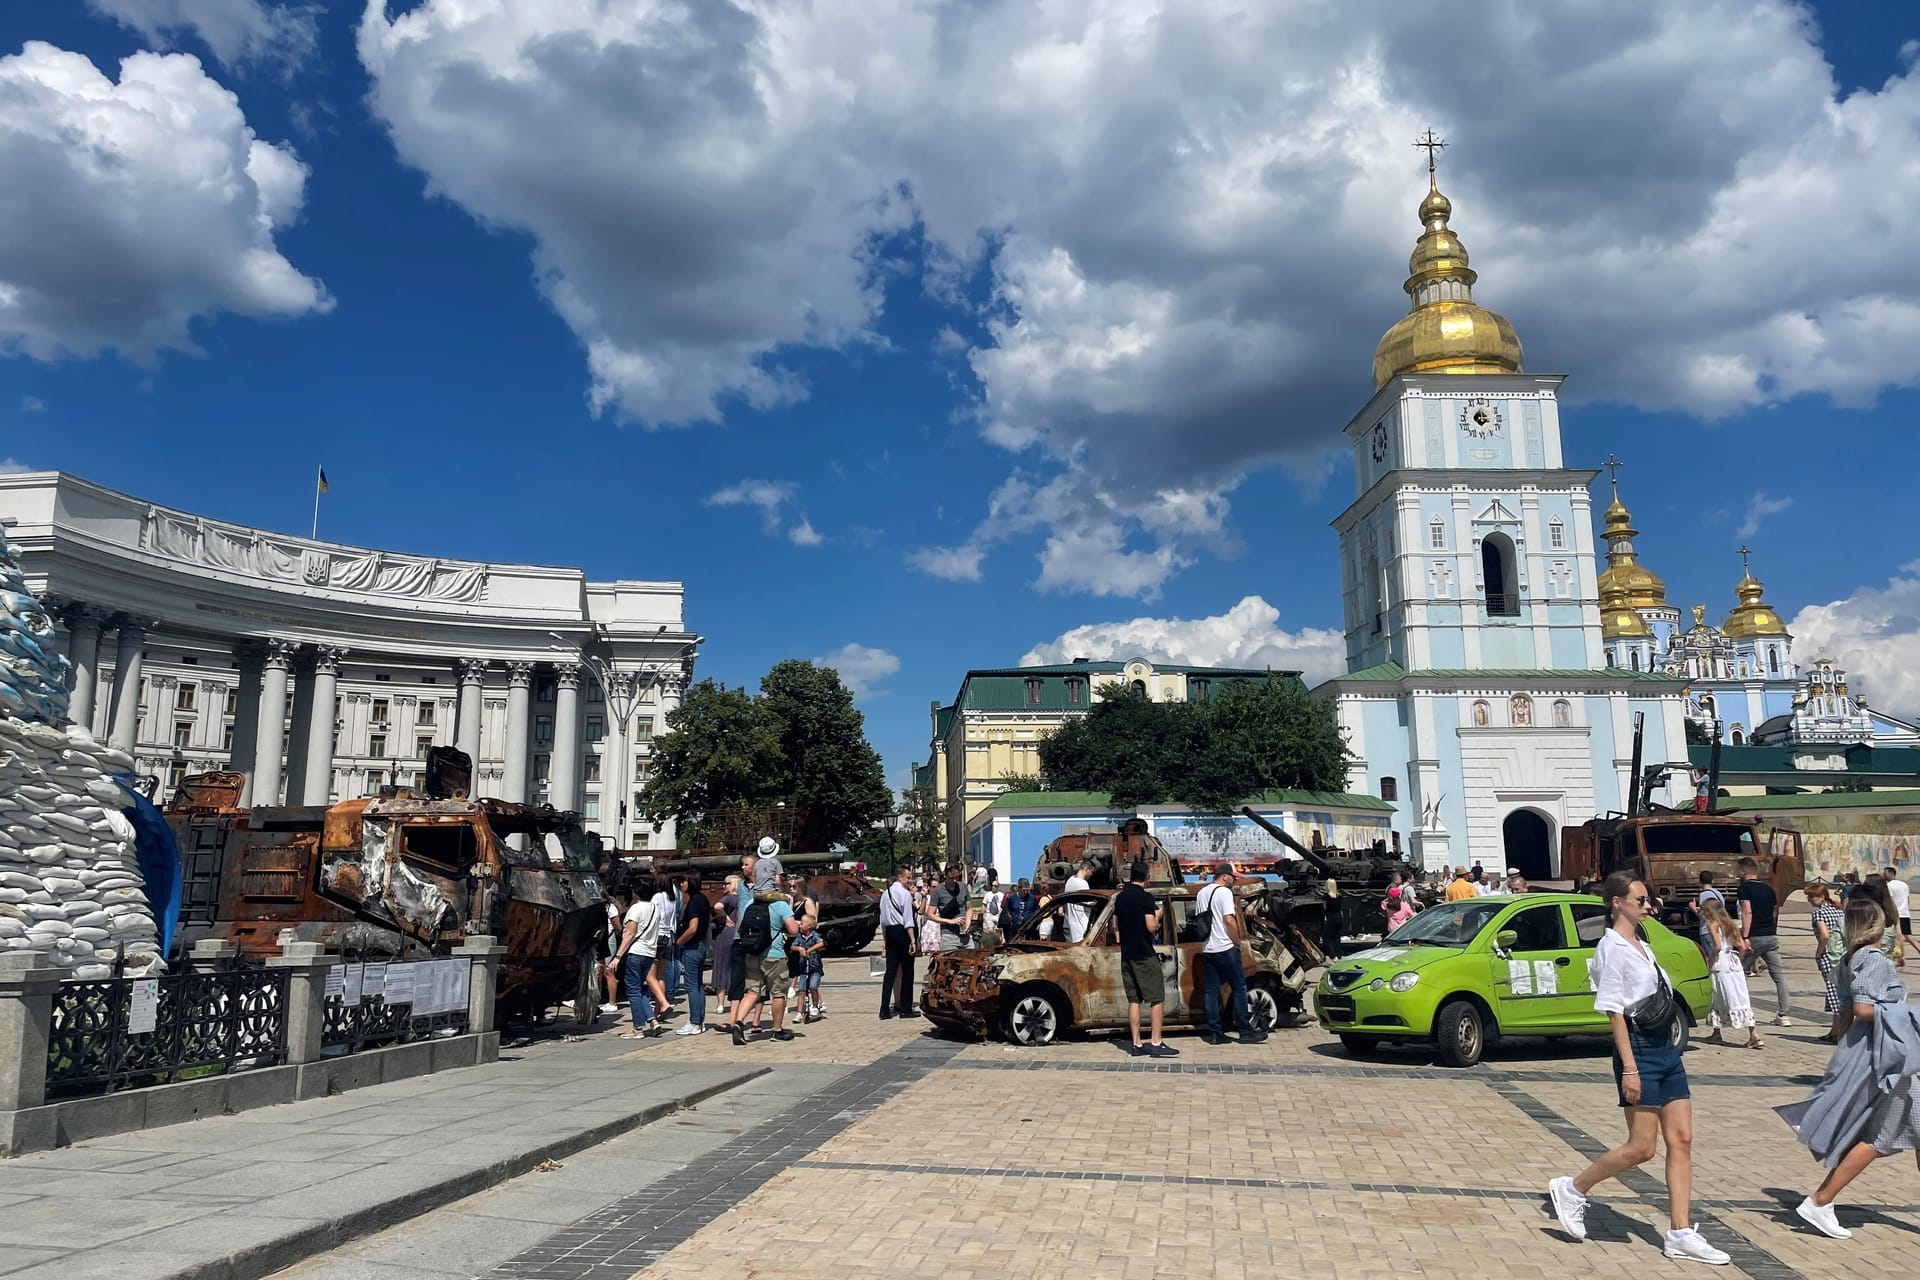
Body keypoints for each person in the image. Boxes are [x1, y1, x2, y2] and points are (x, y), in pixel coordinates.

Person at [1547, 871, 1729, 1265]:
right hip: (1640, 1050)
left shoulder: (1641, 942)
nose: (1648, 906)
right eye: (1641, 900)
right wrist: (1629, 1068)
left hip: (1665, 1048)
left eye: (1648, 901)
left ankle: (1680, 1232)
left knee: (1681, 1141)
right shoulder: (1611, 948)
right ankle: (1574, 1188)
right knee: (1642, 1148)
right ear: (1617, 903)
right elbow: (1614, 1011)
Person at [1779, 897, 1920, 1240]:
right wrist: (1911, 1013)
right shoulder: (1873, 960)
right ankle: (1820, 1201)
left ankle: (1820, 1201)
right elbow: (1862, 1007)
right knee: (1881, 1138)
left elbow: (1844, 1015)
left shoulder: (1848, 959)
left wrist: (1847, 1054)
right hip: (1889, 1058)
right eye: (1883, 922)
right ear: (1873, 926)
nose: (1888, 928)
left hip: (1880, 1054)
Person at [1197, 864, 1264, 1046]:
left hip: (1208, 949)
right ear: (1224, 877)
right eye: (1233, 877)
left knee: (1211, 991)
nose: (1235, 880)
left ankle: (1215, 1033)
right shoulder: (1224, 893)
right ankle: (1244, 1030)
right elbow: (1228, 919)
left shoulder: (1201, 893)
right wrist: (1237, 941)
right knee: (1239, 988)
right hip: (1225, 947)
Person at [1115, 860, 1176, 1057]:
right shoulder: (1146, 899)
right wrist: (1158, 915)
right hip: (1144, 954)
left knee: (1134, 999)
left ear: (1131, 876)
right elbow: (1151, 927)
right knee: (1157, 998)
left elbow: (1116, 927)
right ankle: (1156, 1042)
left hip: (1127, 955)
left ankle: (1137, 1044)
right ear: (1147, 877)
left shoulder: (1120, 898)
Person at [729, 880, 797, 1044]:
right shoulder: (780, 905)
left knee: (752, 992)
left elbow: (740, 927)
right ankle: (777, 1031)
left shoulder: (751, 903)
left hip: (753, 953)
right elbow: (794, 930)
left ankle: (738, 1023)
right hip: (774, 954)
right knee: (778, 993)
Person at [1698, 896, 1760, 1050]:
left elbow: (1717, 946)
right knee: (1739, 997)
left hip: (1721, 963)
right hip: (1734, 963)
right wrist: (1738, 960)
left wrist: (1709, 961)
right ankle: (1750, 1032)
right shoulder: (1731, 924)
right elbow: (1743, 947)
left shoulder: (1713, 925)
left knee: (1719, 996)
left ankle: (1719, 1032)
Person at [1735, 858, 1791, 1026]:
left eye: (1738, 870)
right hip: (1771, 936)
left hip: (1754, 936)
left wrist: (1745, 936)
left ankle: (1742, 1011)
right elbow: (1774, 912)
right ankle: (1784, 1014)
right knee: (1779, 976)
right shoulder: (1769, 889)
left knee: (1739, 972)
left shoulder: (1744, 888)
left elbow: (1747, 911)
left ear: (1743, 871)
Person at [612, 879, 667, 1039]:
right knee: (640, 989)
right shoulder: (654, 908)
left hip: (635, 951)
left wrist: (617, 956)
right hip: (650, 952)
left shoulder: (636, 908)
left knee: (633, 990)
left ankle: (638, 1028)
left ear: (636, 892)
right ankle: (652, 1020)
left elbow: (630, 933)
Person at [1808, 882, 1847, 1044]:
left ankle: (1840, 1033)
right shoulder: (1838, 911)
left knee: (1835, 994)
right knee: (1838, 992)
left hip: (1828, 955)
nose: (1809, 900)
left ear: (1822, 896)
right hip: (1842, 954)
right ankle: (1834, 1031)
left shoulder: (1819, 914)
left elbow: (1824, 935)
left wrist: (1818, 953)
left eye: (1812, 896)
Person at [673, 873, 711, 1036]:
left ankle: (695, 1021)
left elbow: (693, 927)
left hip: (692, 947)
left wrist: (680, 941)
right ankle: (699, 1020)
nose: (679, 886)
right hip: (700, 946)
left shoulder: (694, 901)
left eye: (681, 883)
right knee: (697, 985)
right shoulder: (702, 898)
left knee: (691, 986)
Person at [878, 865, 917, 1019]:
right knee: (908, 971)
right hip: (902, 932)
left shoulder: (885, 894)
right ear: (900, 877)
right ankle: (905, 1008)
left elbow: (883, 920)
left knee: (890, 972)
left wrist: (885, 940)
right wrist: (913, 940)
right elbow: (908, 919)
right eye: (908, 878)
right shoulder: (905, 894)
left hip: (890, 933)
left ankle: (884, 1008)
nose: (910, 881)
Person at [711, 871, 741, 1020]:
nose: (724, 886)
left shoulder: (729, 898)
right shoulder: (744, 898)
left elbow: (717, 906)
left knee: (721, 967)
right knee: (735, 968)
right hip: (739, 934)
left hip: (726, 933)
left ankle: (720, 1003)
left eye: (727, 883)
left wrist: (725, 916)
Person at [791, 913, 825, 1024]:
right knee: (801, 990)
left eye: (802, 924)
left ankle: (815, 1006)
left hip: (814, 968)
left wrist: (809, 950)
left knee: (813, 987)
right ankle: (799, 1012)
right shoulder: (799, 937)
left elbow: (821, 944)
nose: (799, 925)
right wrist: (799, 948)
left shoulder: (815, 936)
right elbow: (792, 946)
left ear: (809, 926)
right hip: (803, 969)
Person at [933, 864, 972, 951]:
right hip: (948, 936)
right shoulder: (938, 891)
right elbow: (930, 914)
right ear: (946, 875)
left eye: (956, 877)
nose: (954, 880)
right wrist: (950, 921)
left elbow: (969, 908)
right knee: (950, 963)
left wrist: (968, 921)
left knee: (972, 961)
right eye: (951, 878)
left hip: (965, 935)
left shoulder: (963, 887)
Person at [1689, 871, 1725, 959]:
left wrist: (1693, 908)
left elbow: (1704, 917)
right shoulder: (1718, 894)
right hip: (1720, 928)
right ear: (1712, 881)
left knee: (1712, 957)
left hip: (1707, 930)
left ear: (1700, 882)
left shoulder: (1704, 895)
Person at [1063, 860, 1093, 942]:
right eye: (1091, 871)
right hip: (1081, 923)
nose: (1091, 874)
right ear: (1086, 869)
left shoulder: (1070, 881)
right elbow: (1089, 903)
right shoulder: (1083, 883)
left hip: (1070, 921)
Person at [1887, 866, 1912, 940]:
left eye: (1885, 873)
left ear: (1891, 873)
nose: (1883, 875)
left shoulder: (1889, 885)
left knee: (1897, 936)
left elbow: (1890, 901)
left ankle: (1900, 951)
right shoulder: (1904, 884)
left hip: (1895, 915)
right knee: (1908, 936)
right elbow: (1907, 900)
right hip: (1905, 913)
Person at [1320, 878, 1342, 960]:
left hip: (1330, 917)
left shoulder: (1326, 896)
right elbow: (1340, 908)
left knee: (1326, 938)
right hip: (1338, 917)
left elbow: (1325, 907)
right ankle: (1339, 955)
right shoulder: (1339, 895)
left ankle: (1333, 955)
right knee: (1337, 938)